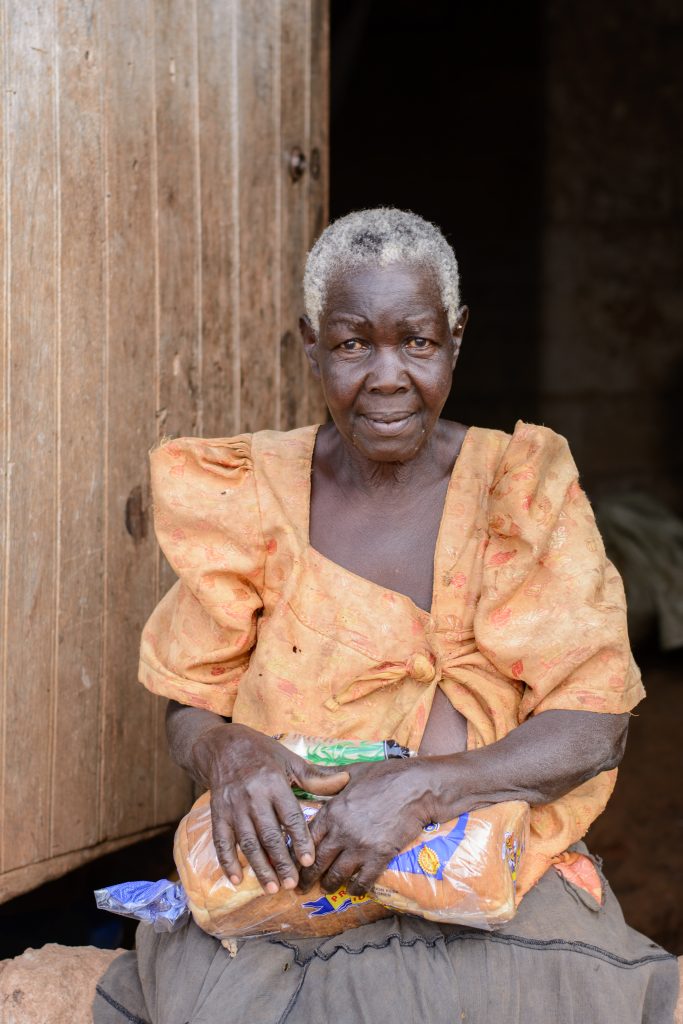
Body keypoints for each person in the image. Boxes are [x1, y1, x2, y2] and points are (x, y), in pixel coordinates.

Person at [94, 208, 679, 1023]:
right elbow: (190, 702)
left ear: (456, 338)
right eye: (351, 344)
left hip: (480, 871)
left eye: (417, 341)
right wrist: (228, 753)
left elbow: (593, 725)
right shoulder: (250, 494)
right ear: (310, 345)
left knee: (522, 995)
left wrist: (425, 792)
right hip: (285, 881)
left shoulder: (520, 491)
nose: (387, 376)